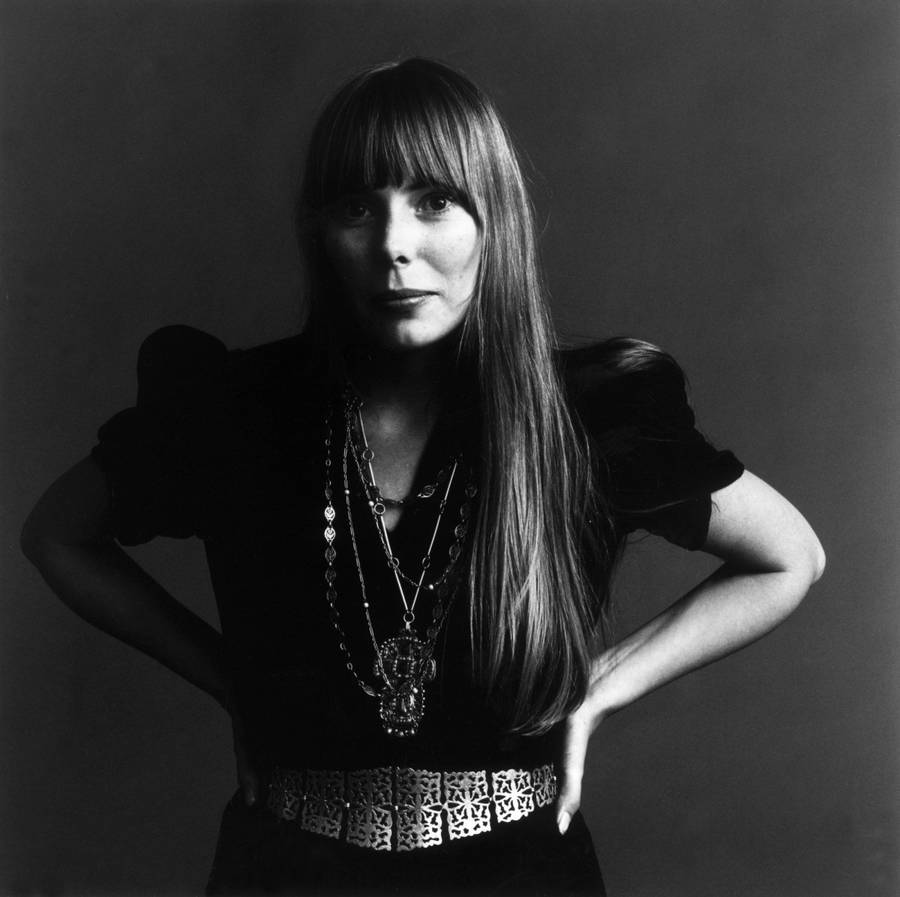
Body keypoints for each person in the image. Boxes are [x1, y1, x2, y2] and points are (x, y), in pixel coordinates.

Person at [21, 58, 825, 895]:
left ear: (493, 217)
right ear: (319, 232)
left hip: (521, 876)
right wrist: (232, 683)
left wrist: (601, 688)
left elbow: (789, 556)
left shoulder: (584, 416)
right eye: (356, 207)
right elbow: (55, 535)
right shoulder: (239, 407)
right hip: (286, 871)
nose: (394, 245)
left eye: (435, 200)